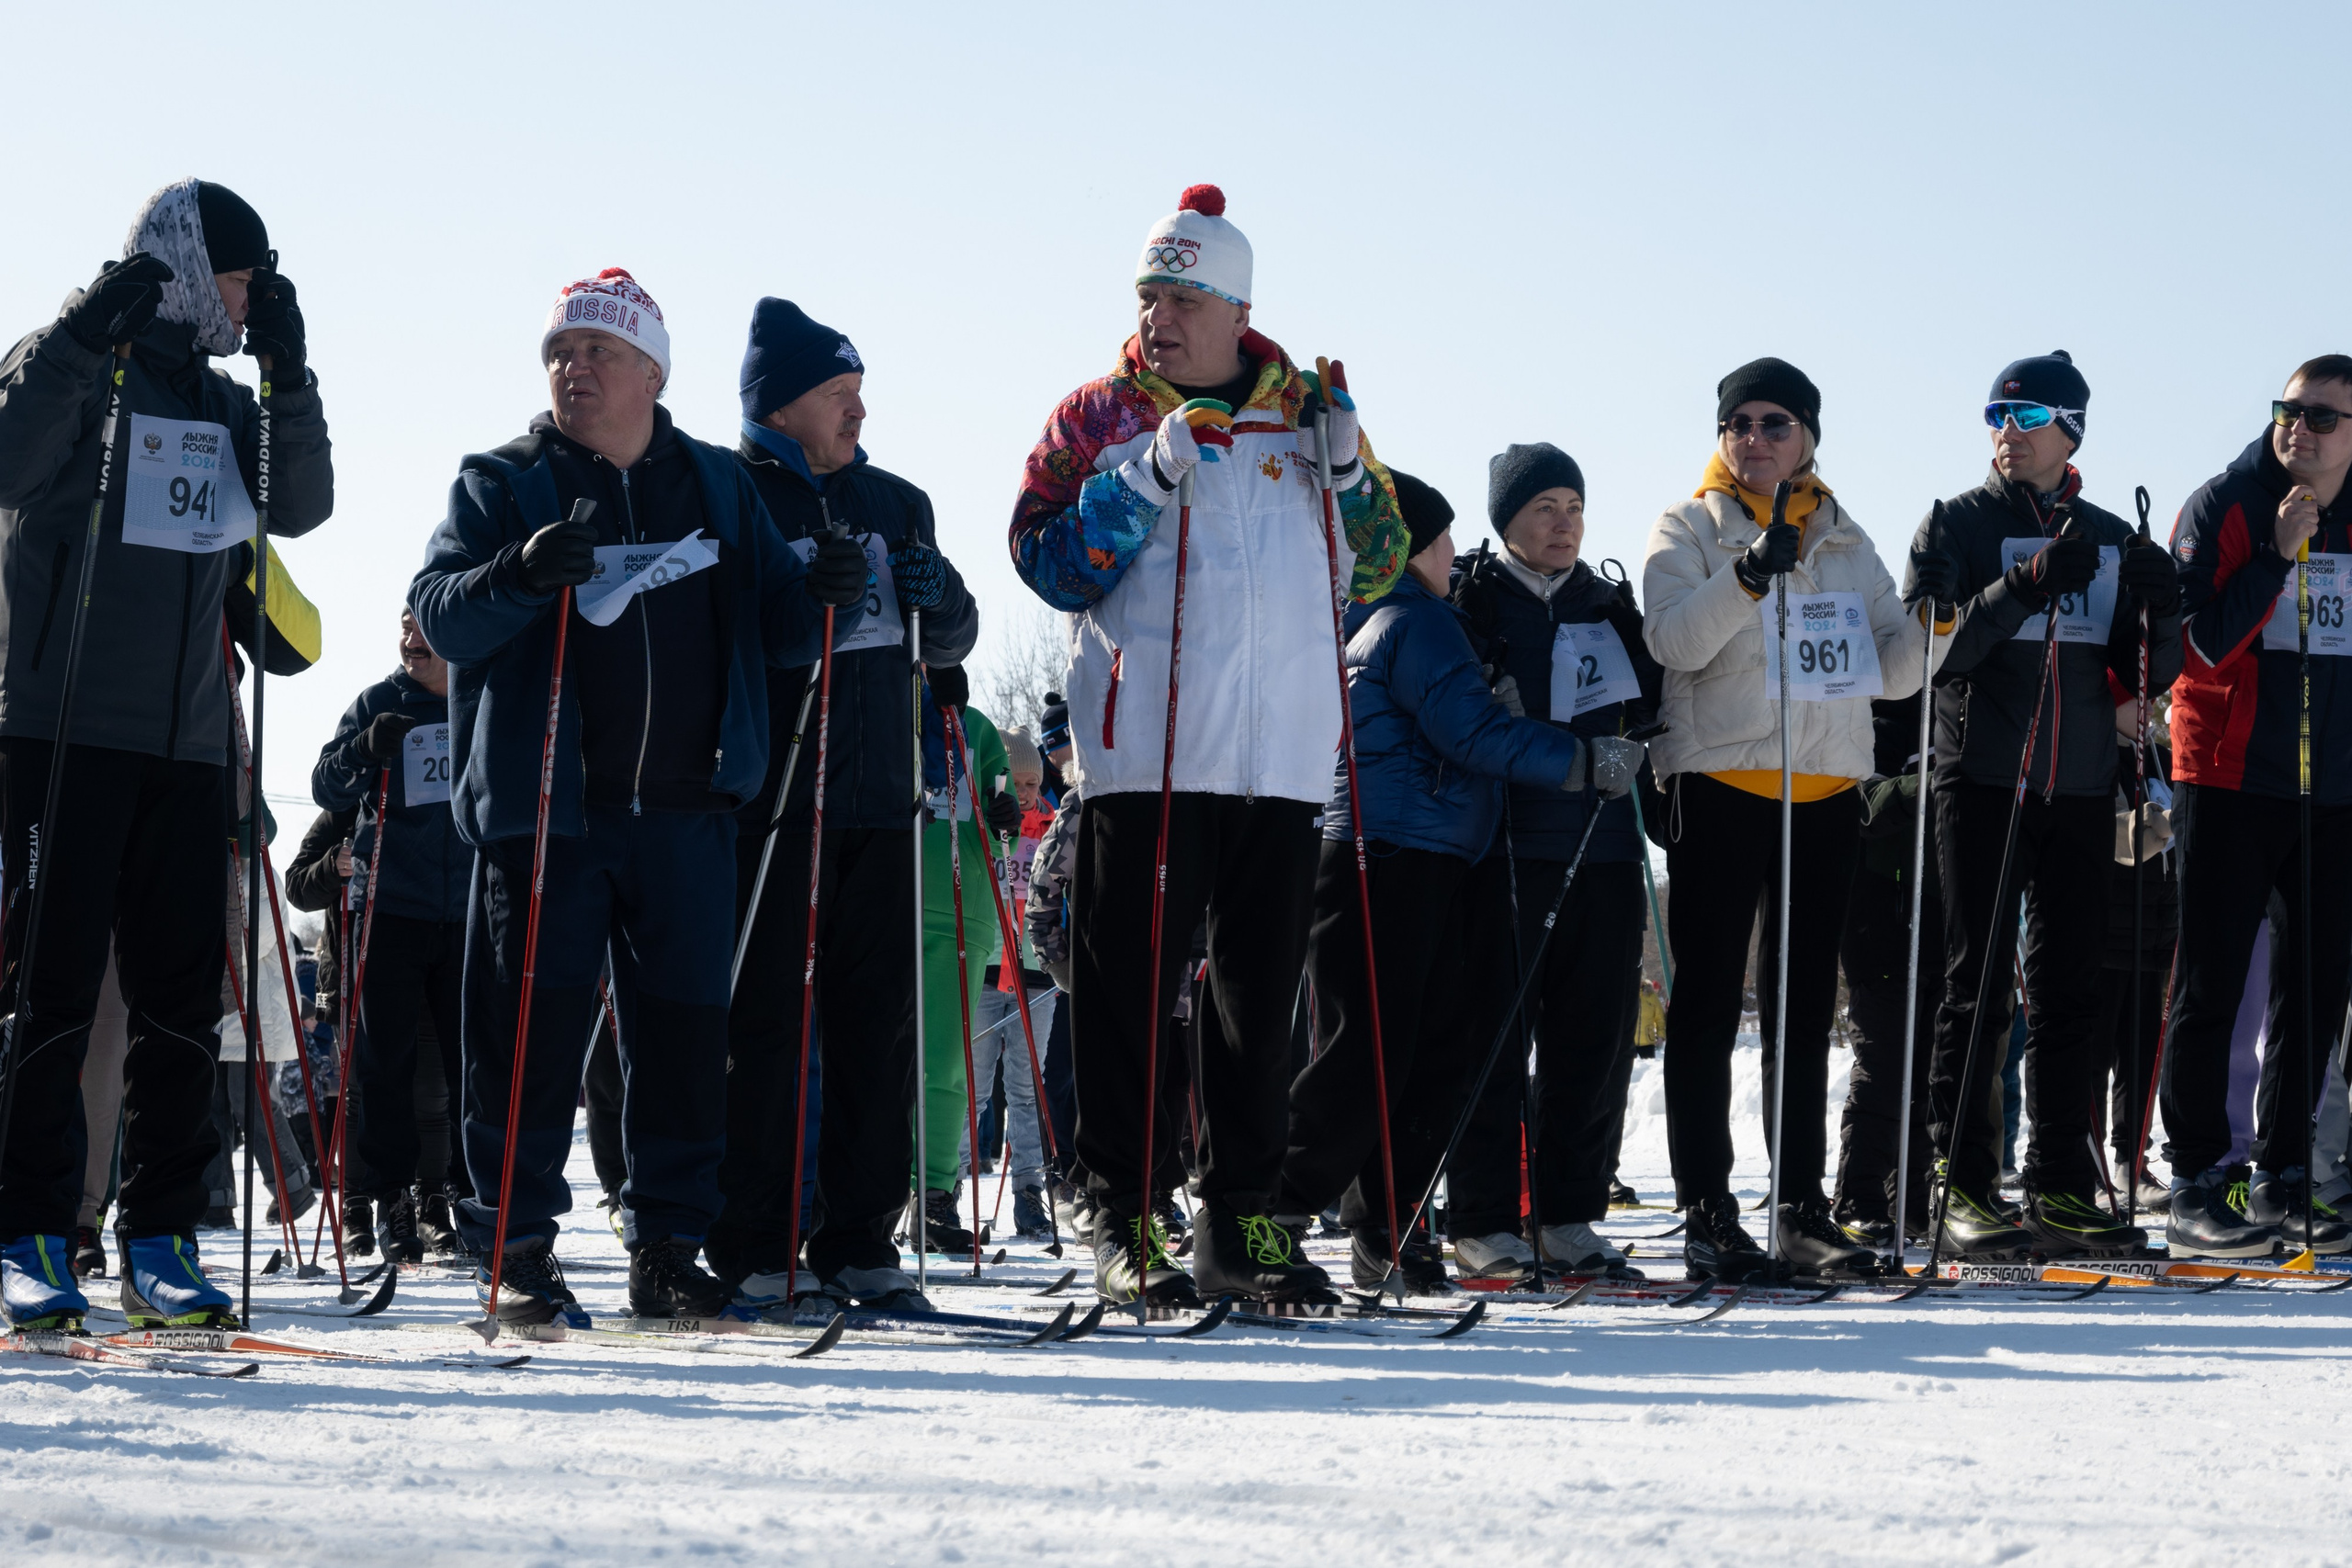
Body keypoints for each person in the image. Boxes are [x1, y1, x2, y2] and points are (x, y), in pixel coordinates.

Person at [408, 266, 865, 1326]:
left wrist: (822, 596)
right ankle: (514, 1247)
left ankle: (666, 1246)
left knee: (679, 1050)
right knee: (526, 1042)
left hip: (687, 814)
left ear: (651, 372)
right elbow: (440, 614)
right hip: (545, 817)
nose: (574, 369)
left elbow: (778, 627)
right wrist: (516, 575)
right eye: (560, 353)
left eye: (598, 352)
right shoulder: (501, 481)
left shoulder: (714, 482)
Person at [1010, 184, 1407, 1307]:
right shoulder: (1100, 415)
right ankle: (1126, 1209)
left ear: (1237, 309)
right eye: (1148, 295)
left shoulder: (1310, 414)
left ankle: (1245, 1223)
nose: (1160, 317)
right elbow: (1046, 562)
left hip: (1277, 761)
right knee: (1129, 994)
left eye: (1183, 296)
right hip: (1145, 759)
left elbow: (1374, 567)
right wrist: (1147, 476)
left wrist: (1343, 472)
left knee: (1256, 1004)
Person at [0, 179, 331, 1331]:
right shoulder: (72, 362)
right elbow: (6, 460)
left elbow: (301, 507)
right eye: (242, 277)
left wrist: (292, 378)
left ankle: (160, 1240)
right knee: (46, 993)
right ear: (192, 269)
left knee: (182, 1005)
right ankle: (31, 1234)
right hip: (62, 729)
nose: (249, 300)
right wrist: (85, 334)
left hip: (189, 745)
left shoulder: (229, 404)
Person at [1276, 468, 1636, 1292]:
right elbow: (1474, 734)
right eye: (1442, 539)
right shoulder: (1418, 620)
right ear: (1415, 545)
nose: (1454, 554)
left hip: (1421, 856)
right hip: (1392, 856)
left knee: (1423, 1057)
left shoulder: (1402, 620)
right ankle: (1273, 1209)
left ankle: (1389, 1230)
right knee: (1370, 1055)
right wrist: (1584, 758)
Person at [710, 297, 977, 1313]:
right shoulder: (729, 486)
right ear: (781, 406)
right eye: (838, 394)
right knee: (767, 1023)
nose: (858, 411)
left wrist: (939, 594)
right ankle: (754, 1235)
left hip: (876, 795)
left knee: (879, 1026)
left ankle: (861, 1234)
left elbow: (948, 638)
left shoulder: (896, 498)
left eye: (860, 392)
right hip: (772, 800)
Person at [1642, 357, 1932, 1281]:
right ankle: (1705, 1213)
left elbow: (1892, 672)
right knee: (1706, 1005)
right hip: (1721, 785)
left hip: (1824, 793)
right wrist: (1749, 576)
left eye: (1775, 424)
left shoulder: (1844, 539)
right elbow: (1671, 642)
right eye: (1739, 425)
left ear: (1808, 435)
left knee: (1806, 1011)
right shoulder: (1688, 524)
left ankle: (1802, 1208)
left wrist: (1949, 616)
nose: (1755, 440)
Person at [1911, 352, 2183, 1258]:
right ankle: (1960, 1185)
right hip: (1983, 780)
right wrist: (2018, 585)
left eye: (2025, 415)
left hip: (2077, 787)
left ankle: (2062, 1186)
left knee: (2072, 994)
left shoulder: (2109, 535)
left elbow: (2152, 673)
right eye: (1995, 414)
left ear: (2069, 428)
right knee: (1977, 990)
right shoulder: (1956, 523)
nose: (2006, 432)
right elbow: (1930, 653)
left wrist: (2163, 609)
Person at [1442, 447, 1662, 1282]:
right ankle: (1485, 1220)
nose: (1565, 521)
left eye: (1574, 504)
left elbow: (1652, 702)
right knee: (1494, 1041)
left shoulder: (1608, 603)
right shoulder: (1472, 599)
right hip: (1503, 850)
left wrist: (1638, 738)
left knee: (1593, 1042)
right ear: (1506, 521)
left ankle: (1570, 1216)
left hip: (1602, 847)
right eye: (1545, 506)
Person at [2159, 354, 2352, 1258]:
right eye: (2287, 410)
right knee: (2211, 981)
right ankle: (2198, 1177)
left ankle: (2281, 1177)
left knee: (2314, 988)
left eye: (2319, 417)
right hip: (2230, 778)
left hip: (2335, 790)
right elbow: (2195, 647)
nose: (2297, 428)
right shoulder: (2226, 502)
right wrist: (2276, 556)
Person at [310, 609, 470, 1265]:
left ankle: (457, 1197)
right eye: (403, 627)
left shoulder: (484, 693)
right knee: (386, 1068)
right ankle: (389, 1199)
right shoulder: (378, 701)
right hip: (392, 910)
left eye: (424, 628)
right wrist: (362, 748)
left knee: (469, 1067)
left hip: (468, 910)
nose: (410, 640)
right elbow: (327, 784)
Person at [910, 667, 1015, 1257]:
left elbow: (1003, 823)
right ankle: (861, 1191)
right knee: (873, 1059)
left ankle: (933, 1196)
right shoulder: (885, 706)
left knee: (947, 1066)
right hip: (885, 903)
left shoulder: (976, 729)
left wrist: (1001, 821)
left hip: (958, 910)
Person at [1830, 694, 1938, 1246]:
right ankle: (1859, 1197)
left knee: (1928, 1071)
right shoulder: (1867, 722)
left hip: (1939, 924)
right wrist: (1931, 781)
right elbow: (1864, 805)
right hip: (1881, 924)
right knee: (1886, 1065)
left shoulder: (1951, 718)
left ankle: (1913, 1204)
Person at [966, 723, 1057, 1239]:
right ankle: (946, 1187)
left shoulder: (1051, 827)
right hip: (983, 970)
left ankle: (1029, 1191)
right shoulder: (986, 823)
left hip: (1035, 976)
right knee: (971, 1090)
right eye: (1014, 782)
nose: (1024, 793)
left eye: (1031, 784)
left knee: (1027, 1089)